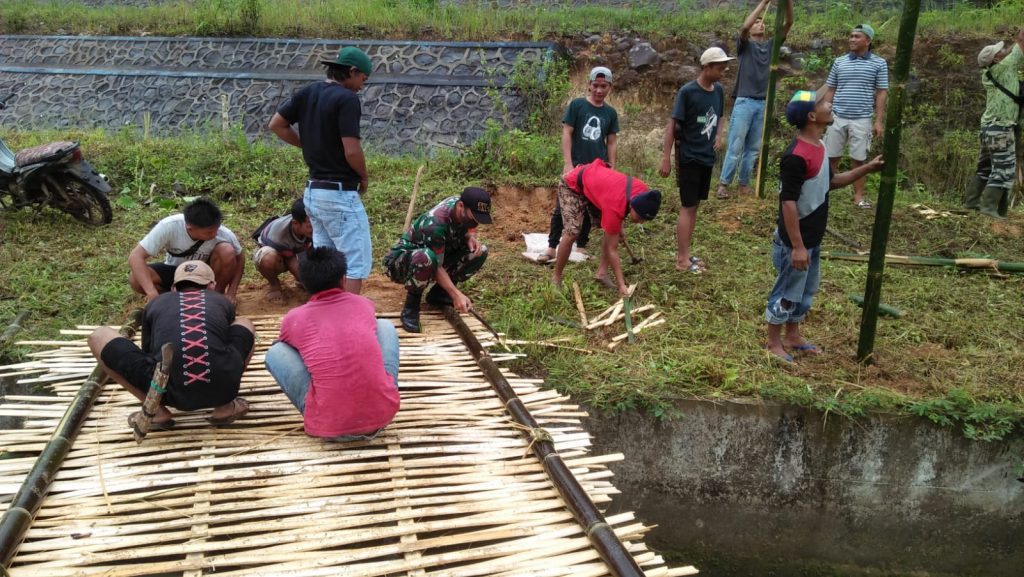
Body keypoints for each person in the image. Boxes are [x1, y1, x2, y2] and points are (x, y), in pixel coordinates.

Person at [764, 90, 883, 363]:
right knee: (785, 293)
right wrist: (796, 246)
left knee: (805, 292)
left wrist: (866, 168)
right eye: (821, 103)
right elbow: (789, 203)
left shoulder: (820, 146)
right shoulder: (795, 156)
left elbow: (831, 182)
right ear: (811, 116)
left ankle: (793, 336)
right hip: (796, 242)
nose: (828, 104)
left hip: (811, 239)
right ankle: (773, 342)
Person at [89, 260, 255, 428]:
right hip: (221, 386)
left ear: (174, 288)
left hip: (166, 391)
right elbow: (224, 341)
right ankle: (225, 406)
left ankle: (156, 411)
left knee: (99, 336)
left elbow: (149, 352)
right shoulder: (222, 301)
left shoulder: (156, 302)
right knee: (245, 323)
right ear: (212, 285)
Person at [265, 247, 400, 440]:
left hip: (328, 427)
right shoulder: (363, 304)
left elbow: (295, 348)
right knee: (384, 325)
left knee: (276, 351)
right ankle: (379, 397)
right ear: (343, 279)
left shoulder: (294, 318)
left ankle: (328, 411)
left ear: (304, 282)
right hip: (382, 417)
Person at [268, 46, 373, 295]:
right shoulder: (347, 99)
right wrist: (364, 177)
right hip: (339, 195)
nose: (361, 86)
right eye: (362, 79)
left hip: (313, 194)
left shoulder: (308, 92)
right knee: (354, 263)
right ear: (352, 71)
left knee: (327, 261)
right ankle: (347, 319)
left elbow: (276, 124)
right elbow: (352, 150)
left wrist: (308, 143)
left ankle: (326, 312)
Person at [659, 46, 733, 273]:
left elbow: (720, 117)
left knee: (695, 206)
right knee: (687, 206)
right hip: (689, 156)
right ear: (707, 67)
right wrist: (666, 158)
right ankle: (681, 260)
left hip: (706, 157)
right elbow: (673, 125)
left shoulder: (718, 90)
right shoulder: (688, 92)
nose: (723, 71)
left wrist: (719, 136)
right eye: (719, 67)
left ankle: (686, 253)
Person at [538, 66, 620, 263]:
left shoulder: (610, 113)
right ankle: (551, 247)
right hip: (575, 168)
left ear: (610, 87)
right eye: (596, 85)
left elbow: (611, 141)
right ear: (589, 85)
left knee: (589, 208)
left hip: (597, 170)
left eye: (604, 86)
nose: (599, 90)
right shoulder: (577, 106)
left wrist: (612, 166)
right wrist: (568, 163)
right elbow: (567, 132)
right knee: (561, 207)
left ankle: (581, 245)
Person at [384, 187, 492, 333]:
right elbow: (437, 268)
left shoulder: (459, 207)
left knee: (480, 251)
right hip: (402, 263)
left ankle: (439, 294)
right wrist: (456, 294)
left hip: (435, 255)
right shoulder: (435, 223)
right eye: (473, 218)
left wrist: (469, 237)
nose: (475, 223)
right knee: (426, 257)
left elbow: (463, 226)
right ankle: (411, 306)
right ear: (461, 206)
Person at [716, 0, 793, 199]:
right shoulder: (745, 46)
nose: (761, 24)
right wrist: (764, 2)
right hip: (744, 102)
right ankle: (723, 184)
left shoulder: (771, 46)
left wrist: (787, 3)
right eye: (757, 22)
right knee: (735, 145)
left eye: (762, 22)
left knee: (752, 149)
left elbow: (789, 23)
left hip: (762, 103)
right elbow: (744, 27)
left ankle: (743, 185)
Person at [550, 159, 662, 296]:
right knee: (572, 232)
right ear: (633, 205)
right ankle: (556, 278)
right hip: (572, 185)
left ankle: (602, 273)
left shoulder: (643, 192)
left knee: (610, 231)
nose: (641, 222)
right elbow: (612, 249)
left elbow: (620, 208)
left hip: (597, 186)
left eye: (645, 219)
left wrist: (617, 227)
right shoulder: (614, 206)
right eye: (640, 218)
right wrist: (622, 285)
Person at [822, 23, 889, 209]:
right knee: (831, 156)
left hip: (862, 118)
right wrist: (826, 113)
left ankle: (858, 197)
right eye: (851, 36)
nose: (852, 39)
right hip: (837, 116)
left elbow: (882, 92)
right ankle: (823, 192)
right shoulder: (840, 62)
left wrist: (878, 121)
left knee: (859, 159)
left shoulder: (879, 63)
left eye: (857, 36)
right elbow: (831, 88)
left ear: (868, 40)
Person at [128, 197, 243, 305]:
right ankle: (170, 300)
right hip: (175, 271)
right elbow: (135, 256)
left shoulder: (224, 234)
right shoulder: (169, 226)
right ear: (190, 228)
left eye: (216, 229)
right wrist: (152, 293)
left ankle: (214, 297)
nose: (215, 234)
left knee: (226, 251)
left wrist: (232, 291)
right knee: (135, 279)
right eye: (209, 232)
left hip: (206, 276)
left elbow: (240, 257)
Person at [965, 29, 1024, 218]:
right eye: (1001, 51)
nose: (1005, 50)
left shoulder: (991, 73)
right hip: (1000, 128)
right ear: (996, 59)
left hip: (989, 128)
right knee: (1004, 170)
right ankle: (989, 210)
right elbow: (1022, 43)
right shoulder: (1004, 68)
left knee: (985, 168)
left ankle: (971, 203)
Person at [253, 198, 313, 302]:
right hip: (276, 255)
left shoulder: (308, 226)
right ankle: (274, 285)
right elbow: (291, 262)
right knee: (268, 259)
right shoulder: (279, 235)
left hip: (297, 250)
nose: (315, 227)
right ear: (295, 223)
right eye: (310, 225)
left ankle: (303, 282)